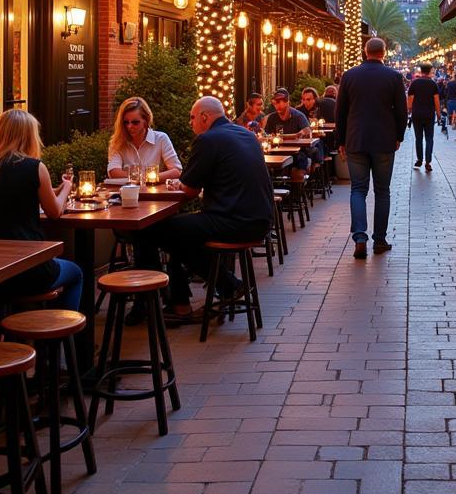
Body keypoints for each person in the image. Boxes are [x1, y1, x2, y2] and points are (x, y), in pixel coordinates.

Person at [134, 97, 274, 322]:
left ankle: (151, 304)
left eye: (192, 117)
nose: (190, 122)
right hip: (261, 219)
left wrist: (180, 184)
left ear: (205, 117)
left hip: (233, 220)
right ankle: (182, 303)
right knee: (178, 234)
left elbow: (189, 190)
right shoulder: (245, 134)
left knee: (151, 230)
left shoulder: (208, 140)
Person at [0, 110, 82, 310]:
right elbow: (54, 212)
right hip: (30, 268)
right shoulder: (34, 167)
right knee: (76, 273)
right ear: (29, 135)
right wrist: (66, 188)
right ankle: (61, 335)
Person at [335, 37, 407, 259]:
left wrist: (341, 140)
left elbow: (341, 112)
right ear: (383, 53)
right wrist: (399, 136)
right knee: (382, 191)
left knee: (358, 189)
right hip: (384, 141)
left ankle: (359, 237)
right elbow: (401, 112)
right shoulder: (394, 77)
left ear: (365, 52)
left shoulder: (349, 76)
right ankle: (380, 239)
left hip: (356, 139)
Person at [107, 96, 182, 181]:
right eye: (126, 122)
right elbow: (114, 172)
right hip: (128, 193)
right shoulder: (118, 142)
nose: (129, 126)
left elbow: (176, 171)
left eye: (135, 122)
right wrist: (141, 177)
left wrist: (147, 178)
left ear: (146, 121)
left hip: (156, 192)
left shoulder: (161, 139)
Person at [264, 88, 313, 178]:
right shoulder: (272, 118)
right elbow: (266, 135)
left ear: (287, 102)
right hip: (277, 153)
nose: (276, 105)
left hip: (297, 153)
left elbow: (308, 131)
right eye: (275, 102)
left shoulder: (298, 116)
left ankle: (296, 190)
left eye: (279, 101)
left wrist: (303, 133)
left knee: (297, 169)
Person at [407, 63, 440, 171]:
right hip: (429, 115)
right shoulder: (433, 84)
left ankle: (419, 159)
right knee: (429, 138)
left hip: (417, 115)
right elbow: (436, 101)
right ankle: (428, 162)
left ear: (421, 71)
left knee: (419, 138)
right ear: (430, 71)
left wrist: (409, 111)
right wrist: (439, 114)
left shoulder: (414, 83)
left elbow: (410, 100)